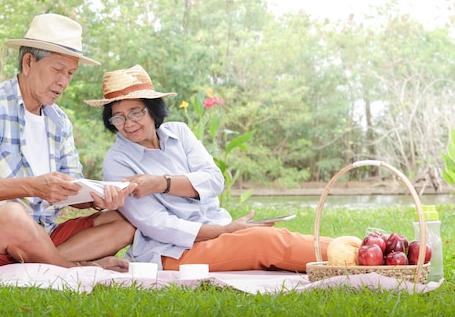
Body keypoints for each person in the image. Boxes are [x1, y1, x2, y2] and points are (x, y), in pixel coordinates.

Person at [84, 64, 331, 272]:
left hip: (216, 231)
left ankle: (357, 249)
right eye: (118, 117)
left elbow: (214, 181)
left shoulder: (179, 132)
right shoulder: (117, 161)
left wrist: (161, 183)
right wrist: (222, 231)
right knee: (265, 242)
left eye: (135, 112)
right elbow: (156, 224)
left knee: (276, 238)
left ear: (153, 109)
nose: (128, 123)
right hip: (172, 252)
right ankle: (355, 256)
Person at [0, 14, 137, 271]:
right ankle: (75, 270)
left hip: (43, 236)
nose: (63, 82)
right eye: (57, 70)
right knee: (11, 216)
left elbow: (73, 191)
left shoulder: (59, 121)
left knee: (123, 222)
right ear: (28, 62)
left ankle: (48, 264)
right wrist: (34, 187)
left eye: (70, 73)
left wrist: (98, 198)